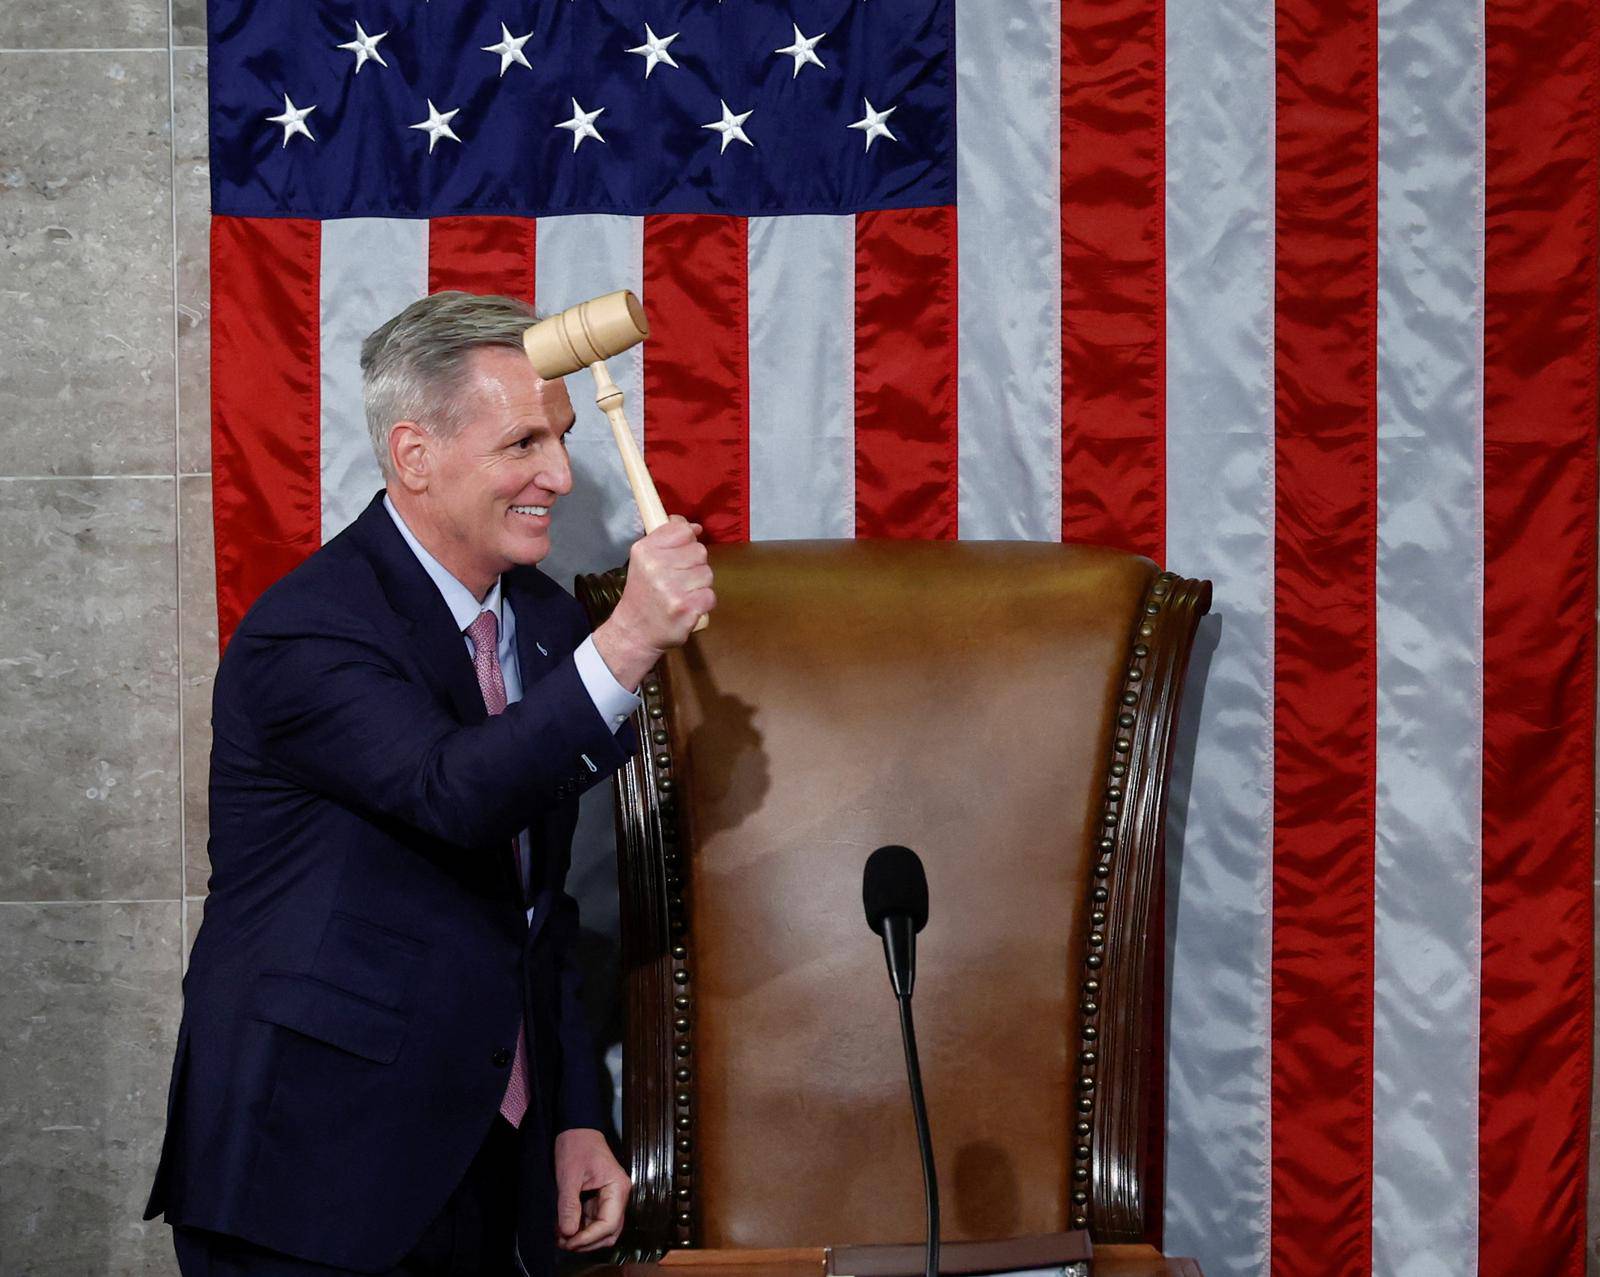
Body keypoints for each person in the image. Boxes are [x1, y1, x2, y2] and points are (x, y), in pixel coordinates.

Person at [144, 291, 715, 1276]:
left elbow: (536, 907)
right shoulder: (308, 628)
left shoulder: (540, 621)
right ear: (413, 454)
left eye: (563, 437)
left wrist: (576, 1113)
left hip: (495, 1165)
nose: (561, 475)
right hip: (317, 1166)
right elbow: (452, 789)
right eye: (523, 443)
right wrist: (626, 643)